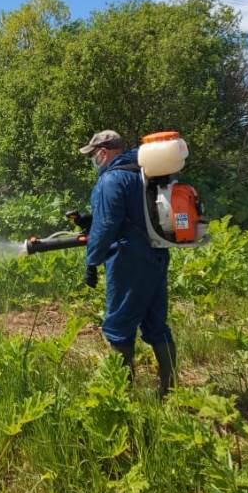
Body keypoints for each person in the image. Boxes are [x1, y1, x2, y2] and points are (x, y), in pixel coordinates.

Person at [78, 130, 176, 396]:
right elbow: (130, 215)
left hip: (128, 260)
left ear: (103, 152)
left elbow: (108, 225)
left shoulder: (111, 179)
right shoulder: (144, 175)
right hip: (157, 255)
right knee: (156, 323)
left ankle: (120, 395)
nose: (94, 160)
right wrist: (92, 220)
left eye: (94, 155)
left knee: (119, 324)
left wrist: (92, 261)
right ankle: (171, 390)